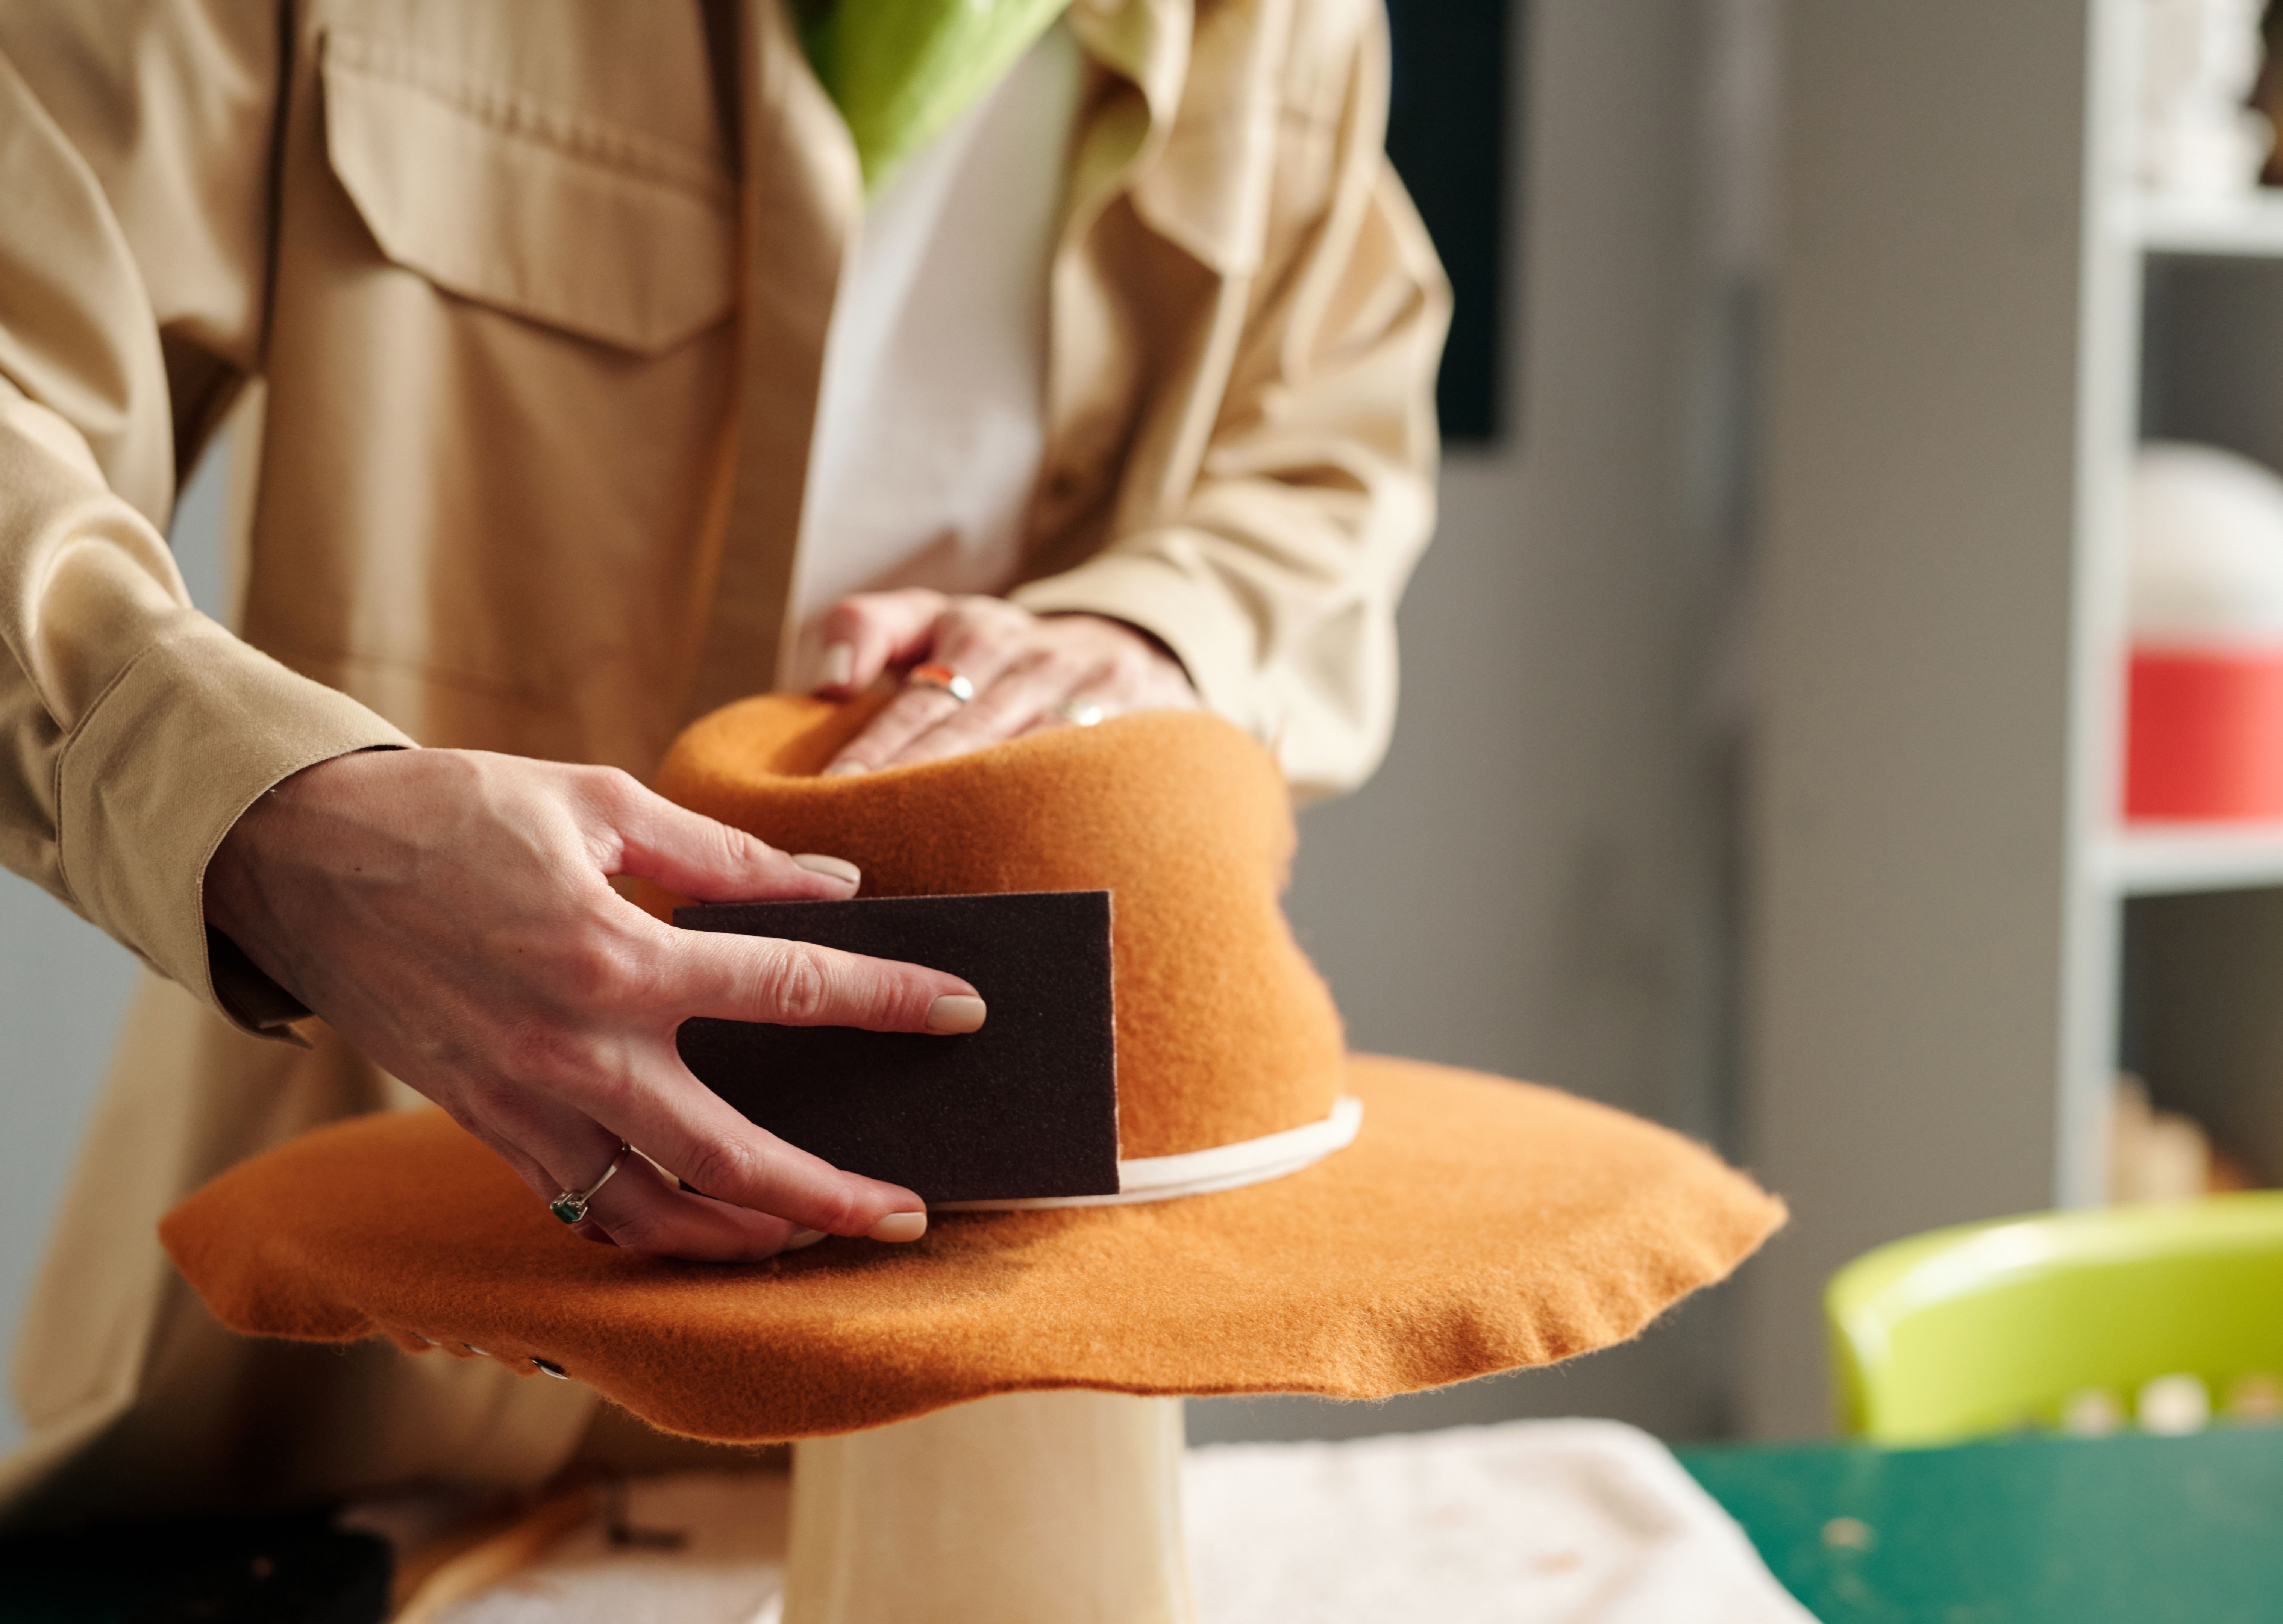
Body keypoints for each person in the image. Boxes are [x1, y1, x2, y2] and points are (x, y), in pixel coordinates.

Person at [0, 0, 1446, 1514]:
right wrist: (276, 822)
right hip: (349, 1367)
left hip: (976, 1396)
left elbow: (1333, 436)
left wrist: (1166, 626)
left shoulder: (1281, 28)